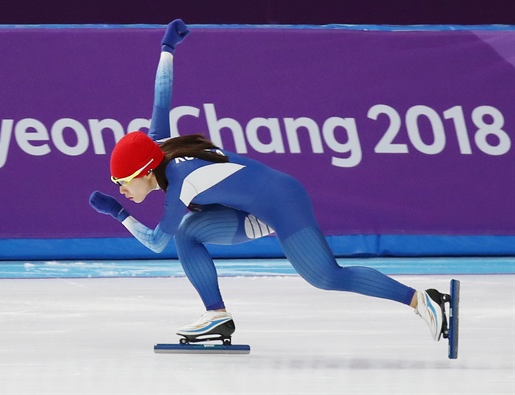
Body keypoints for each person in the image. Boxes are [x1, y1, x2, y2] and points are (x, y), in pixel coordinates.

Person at [90, 19, 450, 344]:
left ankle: (422, 301)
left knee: (325, 277)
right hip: (253, 208)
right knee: (188, 231)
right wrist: (167, 48)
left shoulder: (180, 183)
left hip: (283, 202)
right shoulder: (160, 144)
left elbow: (155, 243)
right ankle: (217, 316)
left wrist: (118, 212)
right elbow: (162, 96)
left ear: (145, 173)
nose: (121, 189)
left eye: (122, 181)